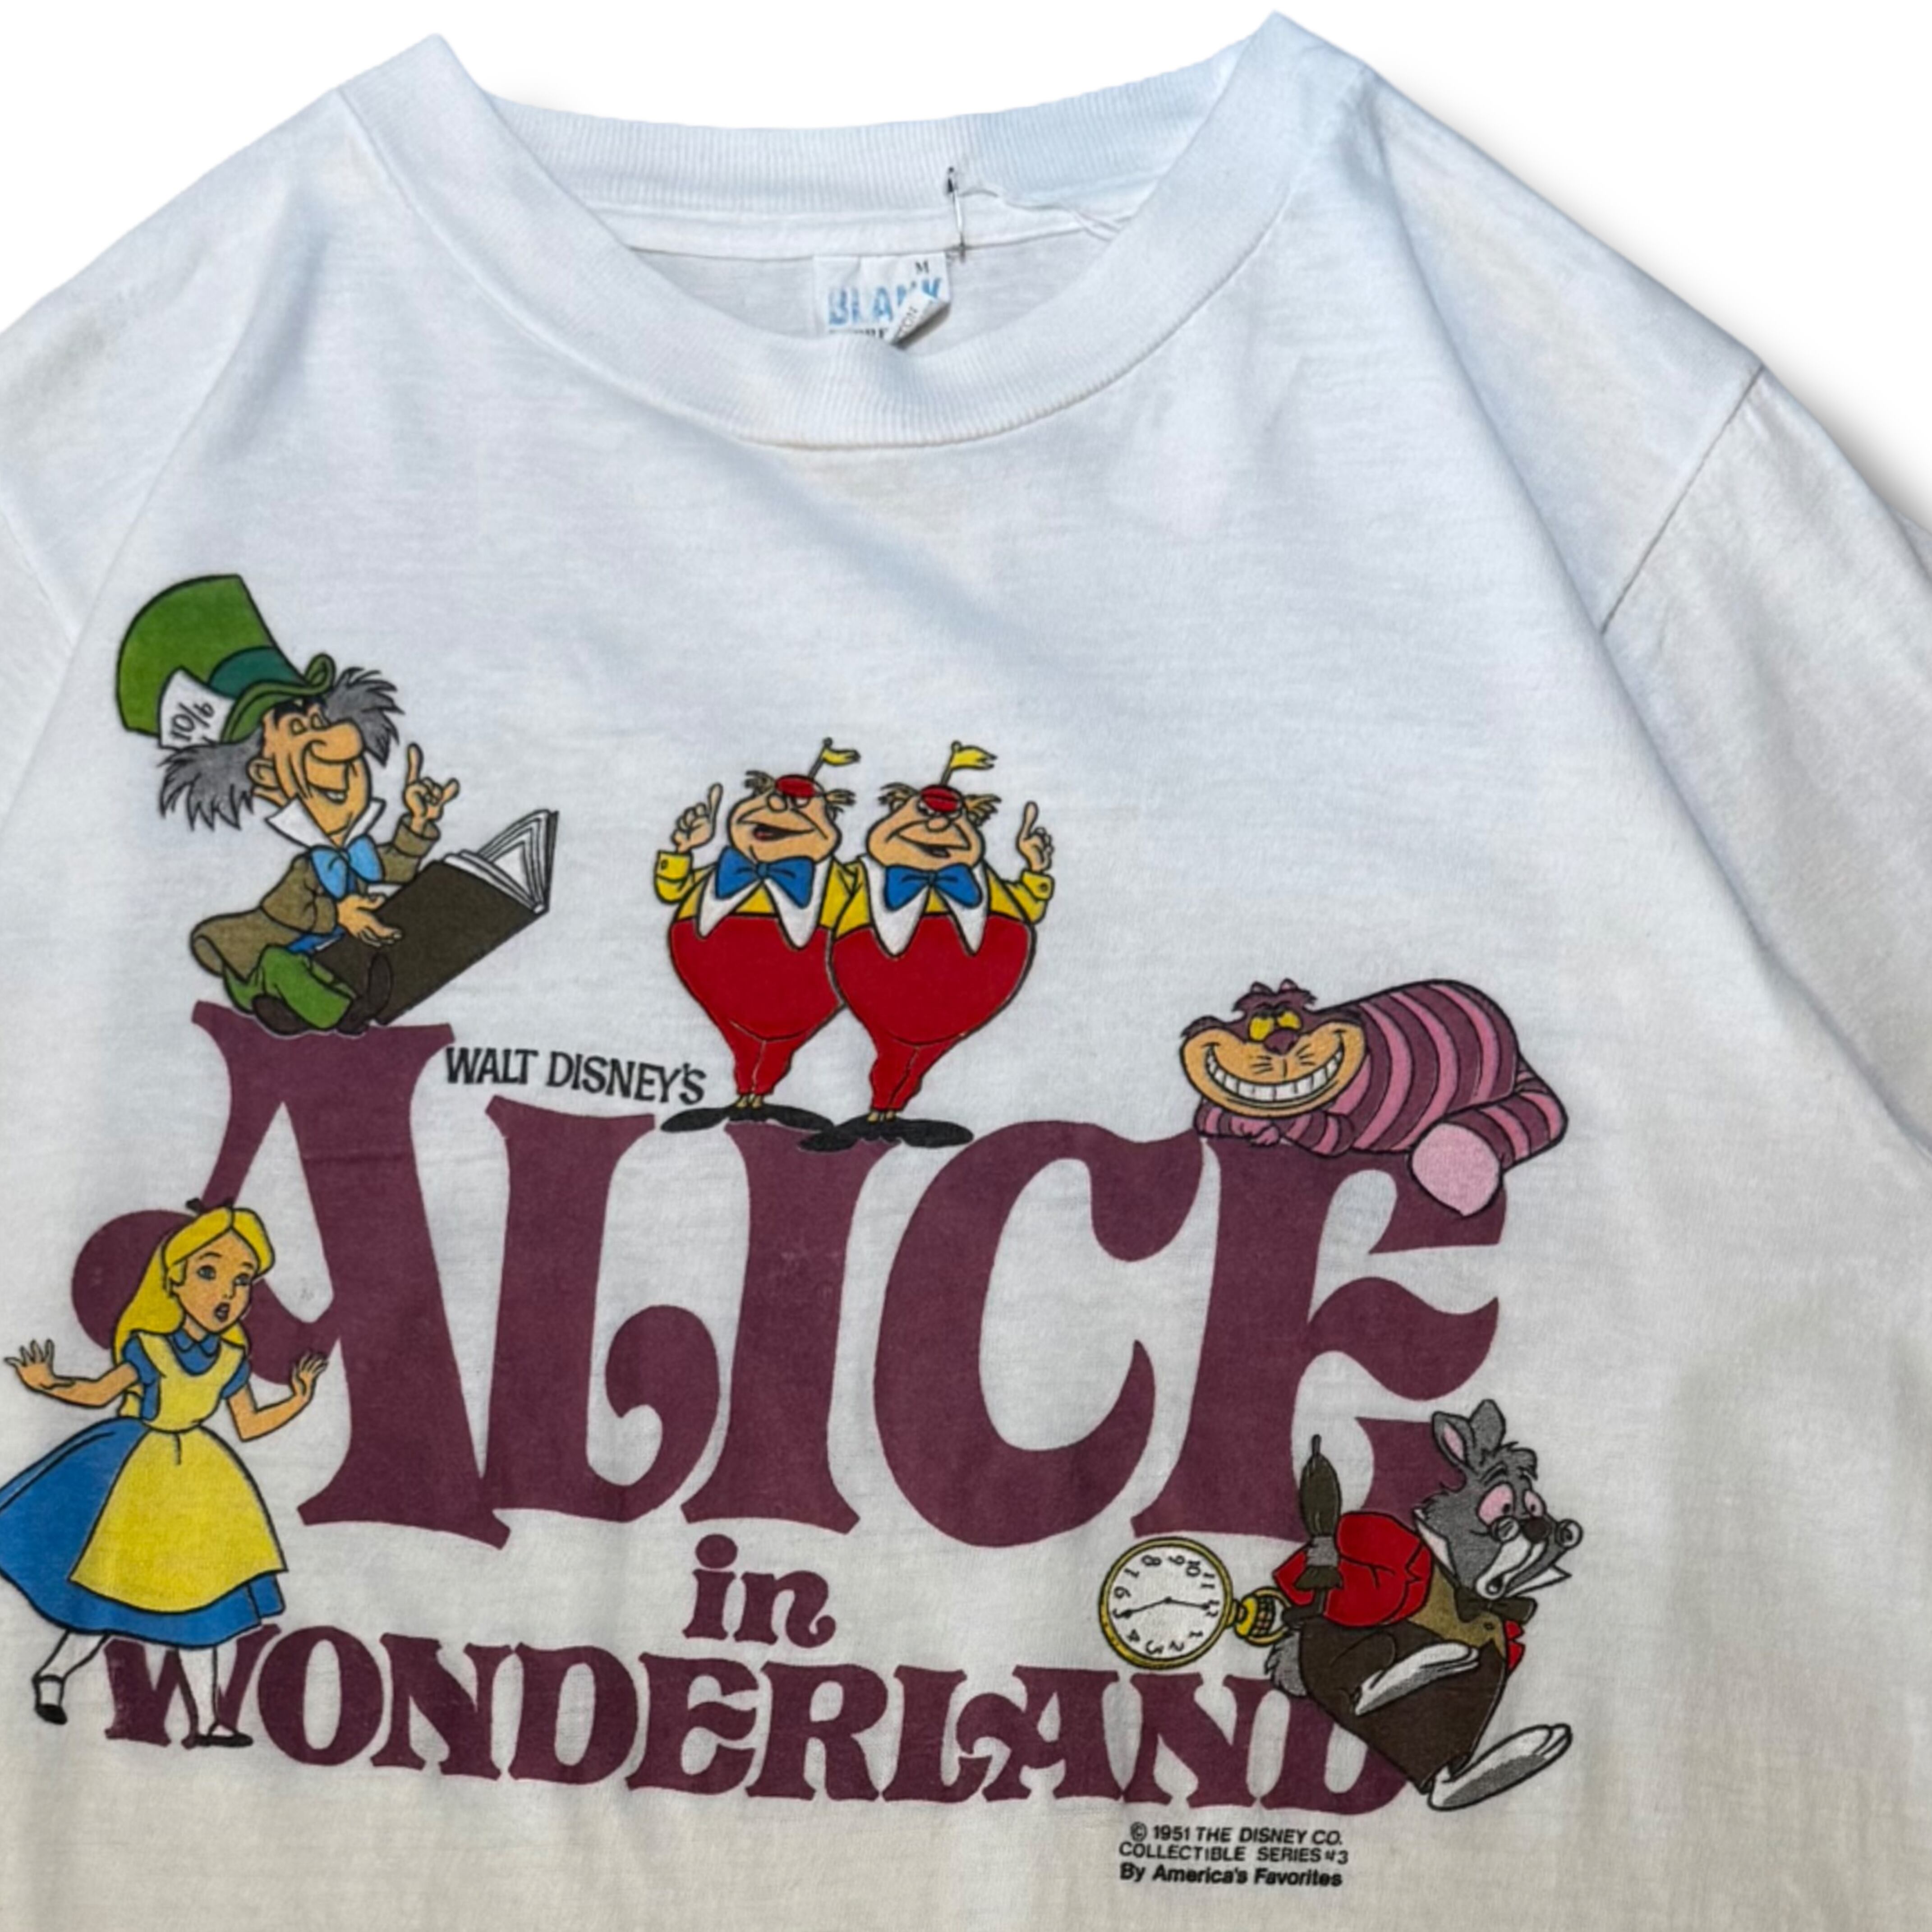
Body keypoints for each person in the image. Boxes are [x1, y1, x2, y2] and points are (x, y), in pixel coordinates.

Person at [0, 1204, 327, 1743]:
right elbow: (99, 1393)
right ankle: (53, 1675)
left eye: (242, 1280)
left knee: (205, 1603)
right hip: (138, 1474)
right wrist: (47, 1383)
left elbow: (249, 1425)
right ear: (174, 1280)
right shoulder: (149, 1349)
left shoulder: (231, 1361)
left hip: (201, 1481)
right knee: (107, 1597)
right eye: (209, 1272)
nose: (227, 1293)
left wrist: (299, 1397)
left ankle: (211, 1721)